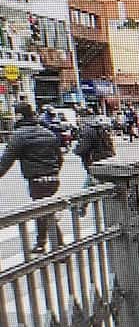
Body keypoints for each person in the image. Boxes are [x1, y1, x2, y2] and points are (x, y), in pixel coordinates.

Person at [0, 103, 64, 253]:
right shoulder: (47, 132)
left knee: (45, 212)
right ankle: (41, 243)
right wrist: (53, 171)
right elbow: (60, 158)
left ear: (19, 115)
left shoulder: (19, 136)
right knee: (43, 210)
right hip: (53, 179)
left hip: (37, 180)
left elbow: (5, 162)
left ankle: (59, 247)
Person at [75, 107, 115, 187]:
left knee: (91, 189)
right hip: (105, 162)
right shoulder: (100, 127)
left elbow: (82, 149)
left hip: (94, 164)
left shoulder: (87, 130)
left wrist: (76, 149)